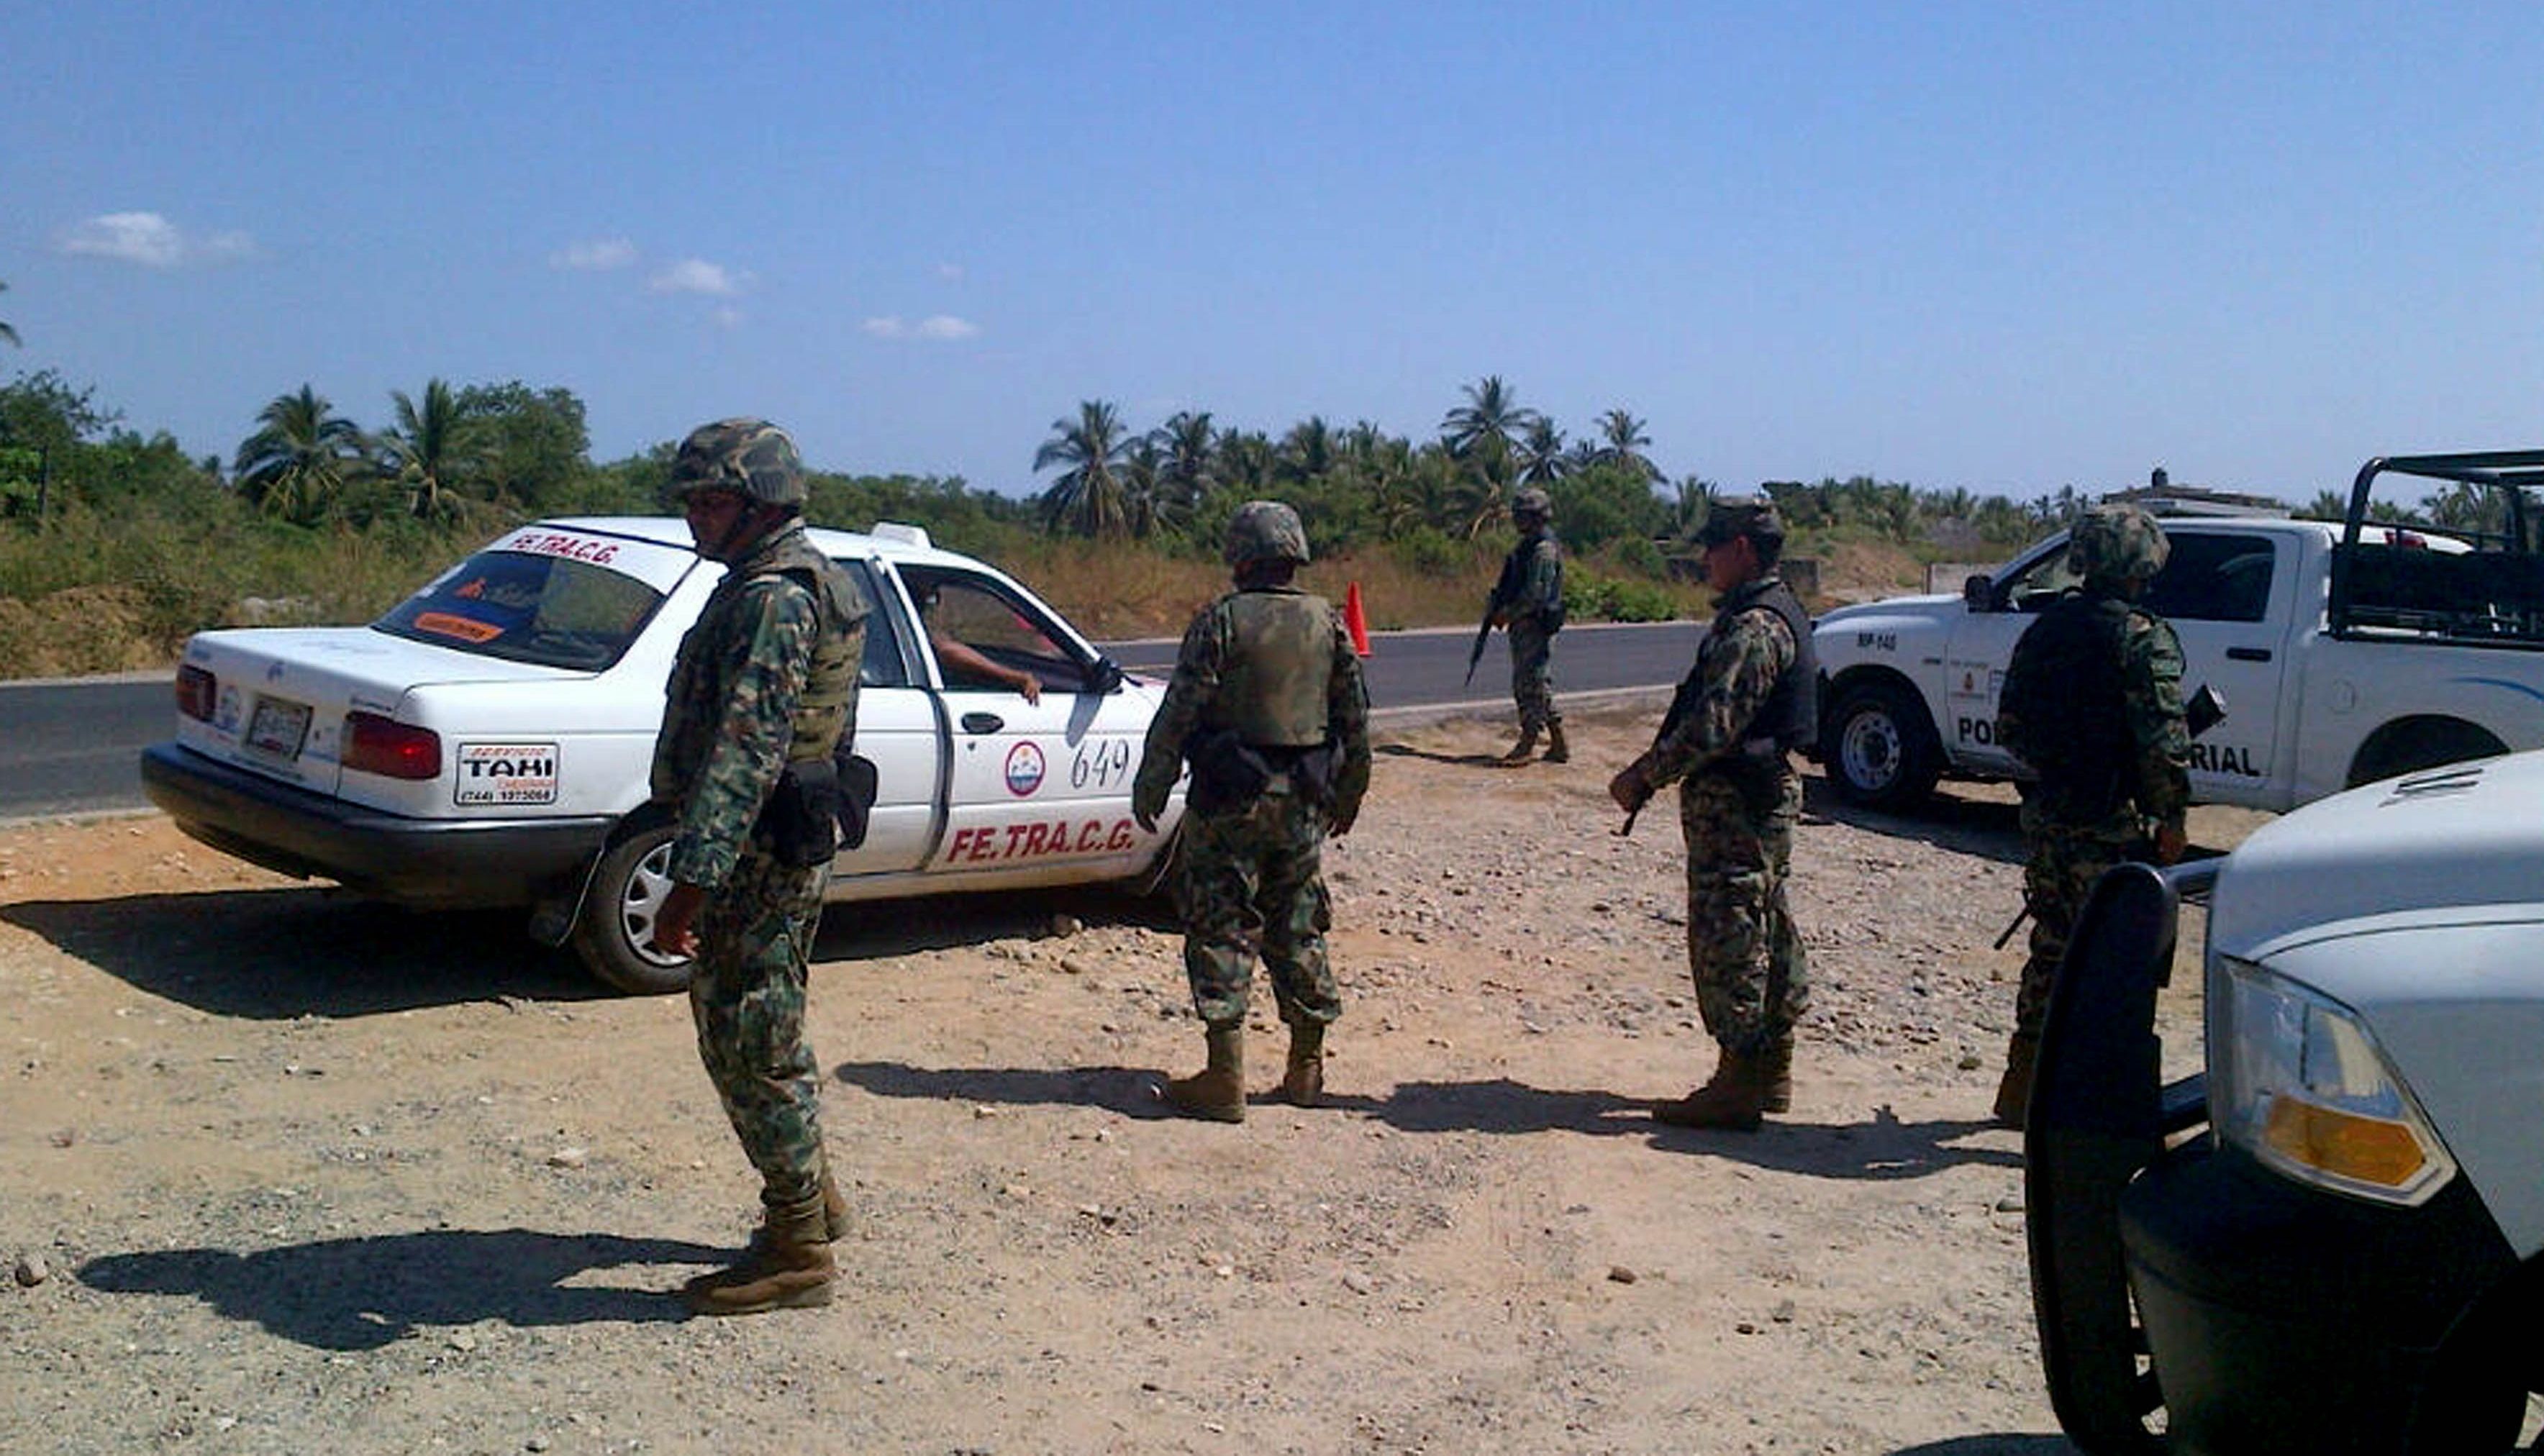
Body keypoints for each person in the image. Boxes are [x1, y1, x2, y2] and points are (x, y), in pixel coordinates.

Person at [646, 418, 868, 1314]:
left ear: (759, 503)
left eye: (711, 501)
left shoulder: (773, 595)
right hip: (776, 840)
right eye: (692, 501)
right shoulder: (787, 580)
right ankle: (812, 1195)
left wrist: (685, 884)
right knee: (765, 1028)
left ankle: (797, 1245)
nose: (695, 517)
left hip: (756, 852)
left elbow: (747, 748)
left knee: (749, 1040)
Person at [1130, 500, 1371, 1122]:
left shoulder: (1220, 621)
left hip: (1230, 797)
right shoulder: (1328, 622)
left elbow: (1180, 710)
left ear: (1240, 555)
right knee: (1297, 922)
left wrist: (1152, 784)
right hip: (1304, 801)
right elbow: (1355, 719)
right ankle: (1305, 1066)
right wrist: (1350, 792)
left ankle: (1225, 1075)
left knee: (1222, 923)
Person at [1607, 496, 1815, 1131]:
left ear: (1743, 550)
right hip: (1751, 799)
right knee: (1766, 923)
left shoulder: (1756, 627)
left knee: (1732, 935)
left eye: (1714, 545)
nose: (1704, 559)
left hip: (1738, 804)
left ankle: (1737, 1080)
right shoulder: (1773, 612)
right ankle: (1767, 1070)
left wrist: (1643, 776)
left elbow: (1713, 726)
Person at [1990, 502, 2189, 1129]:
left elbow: (2011, 728)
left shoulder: (2048, 628)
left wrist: (2064, 768)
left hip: (2051, 816)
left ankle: (2024, 1086)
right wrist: (2170, 817)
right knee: (2118, 963)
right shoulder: (2139, 637)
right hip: (2111, 824)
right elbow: (2164, 744)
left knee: (2052, 948)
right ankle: (2095, 1108)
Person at [1488, 488, 1568, 764]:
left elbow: (1536, 595)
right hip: (1525, 624)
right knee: (1529, 682)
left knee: (1533, 683)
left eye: (1522, 515)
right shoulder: (1529, 546)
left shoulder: (1543, 550)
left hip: (1535, 624)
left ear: (1536, 518)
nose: (1517, 520)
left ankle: (1531, 740)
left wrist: (1507, 614)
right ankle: (1555, 742)